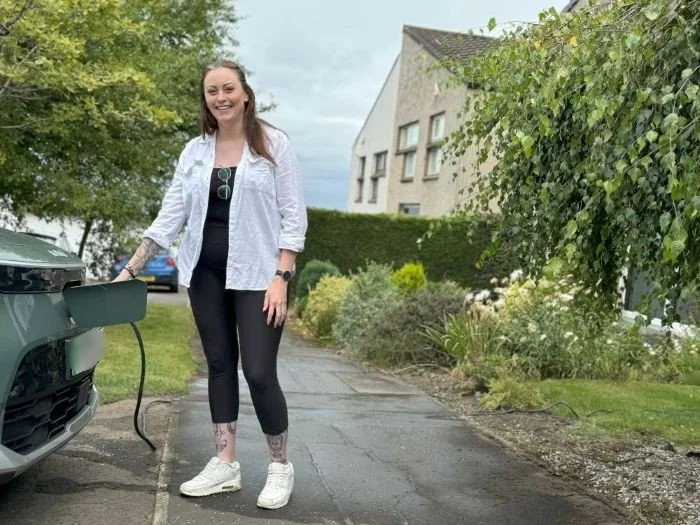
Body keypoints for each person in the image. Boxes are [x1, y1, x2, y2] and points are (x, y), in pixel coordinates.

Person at [113, 60, 307, 510]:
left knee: (258, 371)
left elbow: (293, 216)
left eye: (228, 89)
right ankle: (226, 463)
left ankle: (280, 466)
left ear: (244, 93)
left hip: (260, 276)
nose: (220, 98)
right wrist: (129, 269)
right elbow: (169, 218)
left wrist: (282, 276)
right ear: (206, 99)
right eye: (211, 92)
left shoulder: (274, 144)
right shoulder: (194, 151)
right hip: (205, 275)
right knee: (219, 366)